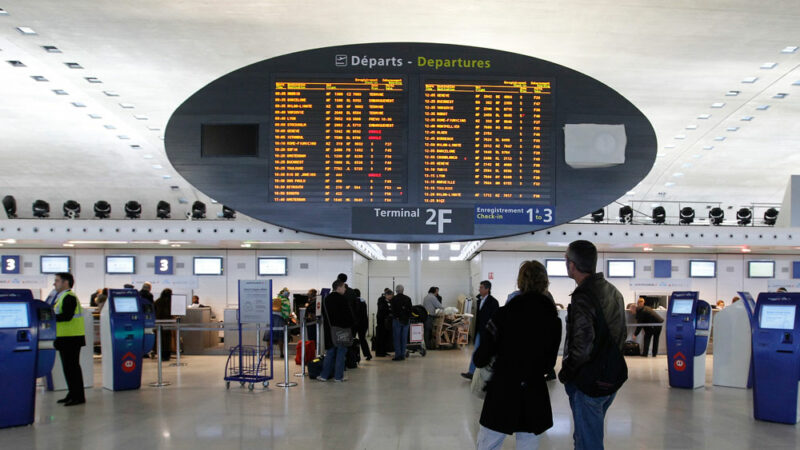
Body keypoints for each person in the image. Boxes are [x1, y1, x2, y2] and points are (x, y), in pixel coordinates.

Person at [474, 261, 561, 449]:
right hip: (534, 393)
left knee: (488, 443)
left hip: (503, 390)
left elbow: (480, 357)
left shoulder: (503, 315)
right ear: (545, 283)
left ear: (520, 282)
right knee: (528, 444)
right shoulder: (553, 321)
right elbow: (549, 365)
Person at [558, 240, 627, 450]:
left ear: (572, 265)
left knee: (588, 442)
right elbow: (621, 334)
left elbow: (582, 347)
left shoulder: (583, 297)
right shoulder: (614, 291)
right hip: (611, 376)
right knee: (586, 436)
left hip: (589, 382)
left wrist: (566, 373)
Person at [52, 272, 86, 406]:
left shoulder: (69, 297)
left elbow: (67, 316)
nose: (54, 283)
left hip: (71, 338)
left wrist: (49, 317)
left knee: (72, 368)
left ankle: (78, 396)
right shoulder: (61, 297)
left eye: (57, 281)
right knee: (68, 368)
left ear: (65, 283)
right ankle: (72, 393)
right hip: (65, 337)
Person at [317, 280, 355, 382]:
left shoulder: (326, 299)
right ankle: (338, 377)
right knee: (341, 354)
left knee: (330, 353)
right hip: (342, 331)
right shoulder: (343, 299)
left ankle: (324, 376)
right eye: (343, 287)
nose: (345, 289)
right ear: (338, 287)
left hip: (330, 331)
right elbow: (349, 316)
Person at [462, 280, 498, 380]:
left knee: (489, 353)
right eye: (480, 287)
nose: (479, 289)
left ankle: (491, 374)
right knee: (476, 351)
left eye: (481, 287)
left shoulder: (493, 302)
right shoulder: (479, 300)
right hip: (479, 331)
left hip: (488, 332)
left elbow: (494, 318)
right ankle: (471, 372)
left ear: (487, 289)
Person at [391, 284, 413, 361]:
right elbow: (410, 310)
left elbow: (393, 310)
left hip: (397, 320)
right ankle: (403, 355)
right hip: (406, 321)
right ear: (403, 290)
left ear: (396, 291)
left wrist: (397, 316)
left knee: (397, 338)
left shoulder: (393, 299)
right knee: (404, 338)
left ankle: (398, 355)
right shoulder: (408, 298)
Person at [154, 288, 174, 361]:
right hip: (168, 323)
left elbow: (154, 311)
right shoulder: (171, 302)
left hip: (159, 323)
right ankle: (167, 355)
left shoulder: (158, 301)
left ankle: (160, 354)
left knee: (160, 339)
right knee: (167, 340)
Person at [353, 288, 372, 361]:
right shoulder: (363, 301)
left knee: (353, 340)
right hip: (363, 324)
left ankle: (354, 355)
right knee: (363, 339)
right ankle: (368, 354)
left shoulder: (355, 302)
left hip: (356, 324)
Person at [375, 288, 394, 357]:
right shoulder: (381, 300)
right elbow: (382, 309)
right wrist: (389, 311)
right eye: (390, 296)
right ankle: (379, 352)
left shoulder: (390, 301)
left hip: (387, 322)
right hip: (381, 321)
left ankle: (384, 351)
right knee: (380, 337)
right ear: (386, 295)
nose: (390, 297)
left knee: (386, 337)